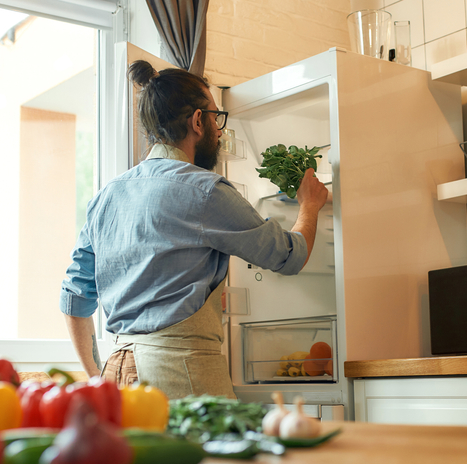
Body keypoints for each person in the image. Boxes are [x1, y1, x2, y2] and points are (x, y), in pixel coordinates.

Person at [60, 60, 329, 399]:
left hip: (114, 374)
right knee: (217, 453)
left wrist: (93, 375)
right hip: (177, 373)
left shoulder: (106, 196)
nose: (220, 130)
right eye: (217, 118)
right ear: (198, 121)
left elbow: (74, 297)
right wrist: (309, 206)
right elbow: (288, 256)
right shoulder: (205, 191)